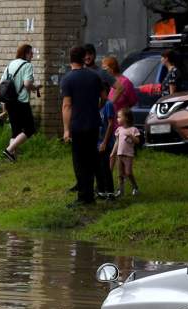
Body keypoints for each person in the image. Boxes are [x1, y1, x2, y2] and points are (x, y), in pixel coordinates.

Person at [60, 45, 104, 205]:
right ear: (83, 58)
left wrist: (66, 130)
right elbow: (103, 96)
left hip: (77, 125)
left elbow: (66, 106)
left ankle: (84, 196)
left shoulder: (68, 79)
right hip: (93, 123)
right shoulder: (94, 76)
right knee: (91, 158)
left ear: (70, 59)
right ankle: (91, 193)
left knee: (79, 161)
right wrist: (96, 108)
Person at [0, 43, 39, 163]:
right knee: (30, 129)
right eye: (31, 53)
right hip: (21, 101)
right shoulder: (27, 65)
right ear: (26, 53)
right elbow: (27, 84)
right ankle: (9, 149)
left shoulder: (11, 63)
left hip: (10, 101)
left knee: (16, 130)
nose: (32, 55)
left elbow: (2, 82)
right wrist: (35, 88)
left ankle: (12, 157)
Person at [113, 107, 141, 196]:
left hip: (128, 155)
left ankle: (135, 187)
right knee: (120, 174)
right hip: (119, 154)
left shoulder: (133, 129)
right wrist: (113, 152)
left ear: (127, 118)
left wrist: (131, 136)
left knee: (128, 172)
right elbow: (117, 142)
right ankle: (120, 191)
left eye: (119, 117)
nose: (117, 119)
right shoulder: (119, 130)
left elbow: (137, 141)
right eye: (117, 117)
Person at [96, 85, 116, 198]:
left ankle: (110, 191)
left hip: (105, 141)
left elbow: (110, 124)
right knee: (97, 167)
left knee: (105, 167)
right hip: (96, 141)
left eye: (100, 92)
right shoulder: (97, 106)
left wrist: (104, 142)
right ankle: (101, 190)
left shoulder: (108, 104)